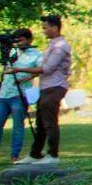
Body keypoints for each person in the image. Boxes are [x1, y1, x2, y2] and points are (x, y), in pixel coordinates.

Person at [16, 15, 71, 164]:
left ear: (54, 28)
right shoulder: (53, 44)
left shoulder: (61, 46)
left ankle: (53, 155)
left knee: (49, 121)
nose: (44, 31)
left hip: (55, 86)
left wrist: (18, 69)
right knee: (40, 121)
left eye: (45, 28)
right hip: (46, 87)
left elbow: (48, 68)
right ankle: (35, 154)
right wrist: (26, 78)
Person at [0, 29, 40, 163]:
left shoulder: (36, 54)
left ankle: (15, 155)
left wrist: (26, 76)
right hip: (4, 93)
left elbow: (41, 69)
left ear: (30, 40)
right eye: (16, 40)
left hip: (20, 94)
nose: (18, 43)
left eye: (21, 40)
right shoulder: (11, 52)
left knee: (18, 126)